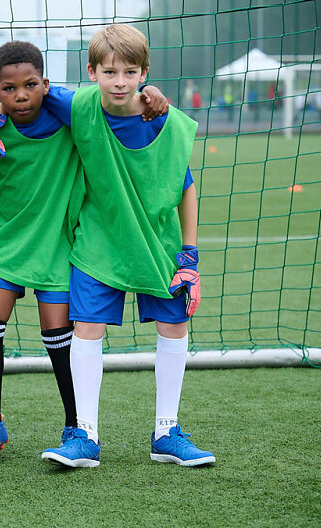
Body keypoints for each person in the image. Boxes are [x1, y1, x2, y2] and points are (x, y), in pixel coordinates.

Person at [0, 41, 169, 466]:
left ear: (46, 84)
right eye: (8, 89)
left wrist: (148, 93)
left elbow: (113, 101)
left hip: (58, 247)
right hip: (5, 245)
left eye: (30, 85)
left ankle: (77, 427)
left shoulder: (71, 115)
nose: (21, 95)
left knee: (61, 342)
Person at [42, 24, 214, 468]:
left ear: (144, 72)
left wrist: (189, 255)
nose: (120, 82)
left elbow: (185, 187)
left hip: (160, 243)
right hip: (98, 241)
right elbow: (11, 87)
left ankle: (166, 432)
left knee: (174, 327)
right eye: (109, 72)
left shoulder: (163, 119)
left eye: (130, 72)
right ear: (91, 72)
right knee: (86, 329)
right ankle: (85, 435)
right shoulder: (78, 106)